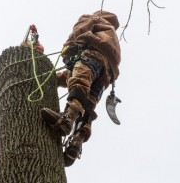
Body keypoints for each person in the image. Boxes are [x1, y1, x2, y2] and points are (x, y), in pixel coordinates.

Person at [41, 10, 121, 167]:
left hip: (92, 54)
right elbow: (71, 74)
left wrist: (69, 47)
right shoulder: (111, 36)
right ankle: (76, 143)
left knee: (79, 84)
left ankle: (67, 119)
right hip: (107, 74)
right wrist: (53, 79)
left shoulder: (95, 19)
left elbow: (79, 32)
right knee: (88, 104)